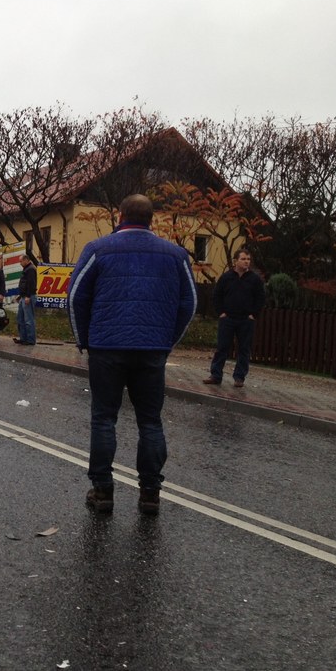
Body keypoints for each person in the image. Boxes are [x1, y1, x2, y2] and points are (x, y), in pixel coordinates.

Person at [67, 194, 196, 516]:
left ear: (119, 215)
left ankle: (103, 490)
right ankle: (150, 494)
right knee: (150, 422)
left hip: (107, 348)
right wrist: (168, 341)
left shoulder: (98, 250)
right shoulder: (176, 255)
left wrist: (85, 339)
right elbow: (189, 303)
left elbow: (75, 298)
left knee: (104, 418)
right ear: (152, 218)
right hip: (152, 350)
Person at [203, 248, 266, 388]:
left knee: (244, 349)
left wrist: (253, 314)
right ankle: (216, 375)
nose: (246, 262)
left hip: (245, 320)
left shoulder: (254, 280)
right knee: (222, 347)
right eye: (243, 259)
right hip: (228, 319)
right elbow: (217, 295)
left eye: (248, 259)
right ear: (236, 261)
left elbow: (260, 298)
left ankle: (239, 377)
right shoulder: (226, 277)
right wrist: (221, 312)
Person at [14, 254, 37, 345]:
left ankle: (30, 340)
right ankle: (23, 338)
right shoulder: (26, 269)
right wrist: (20, 295)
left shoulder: (30, 269)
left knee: (28, 319)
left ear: (26, 260)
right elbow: (24, 284)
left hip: (28, 297)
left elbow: (31, 284)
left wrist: (27, 296)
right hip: (24, 297)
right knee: (20, 318)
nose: (20, 263)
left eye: (21, 261)